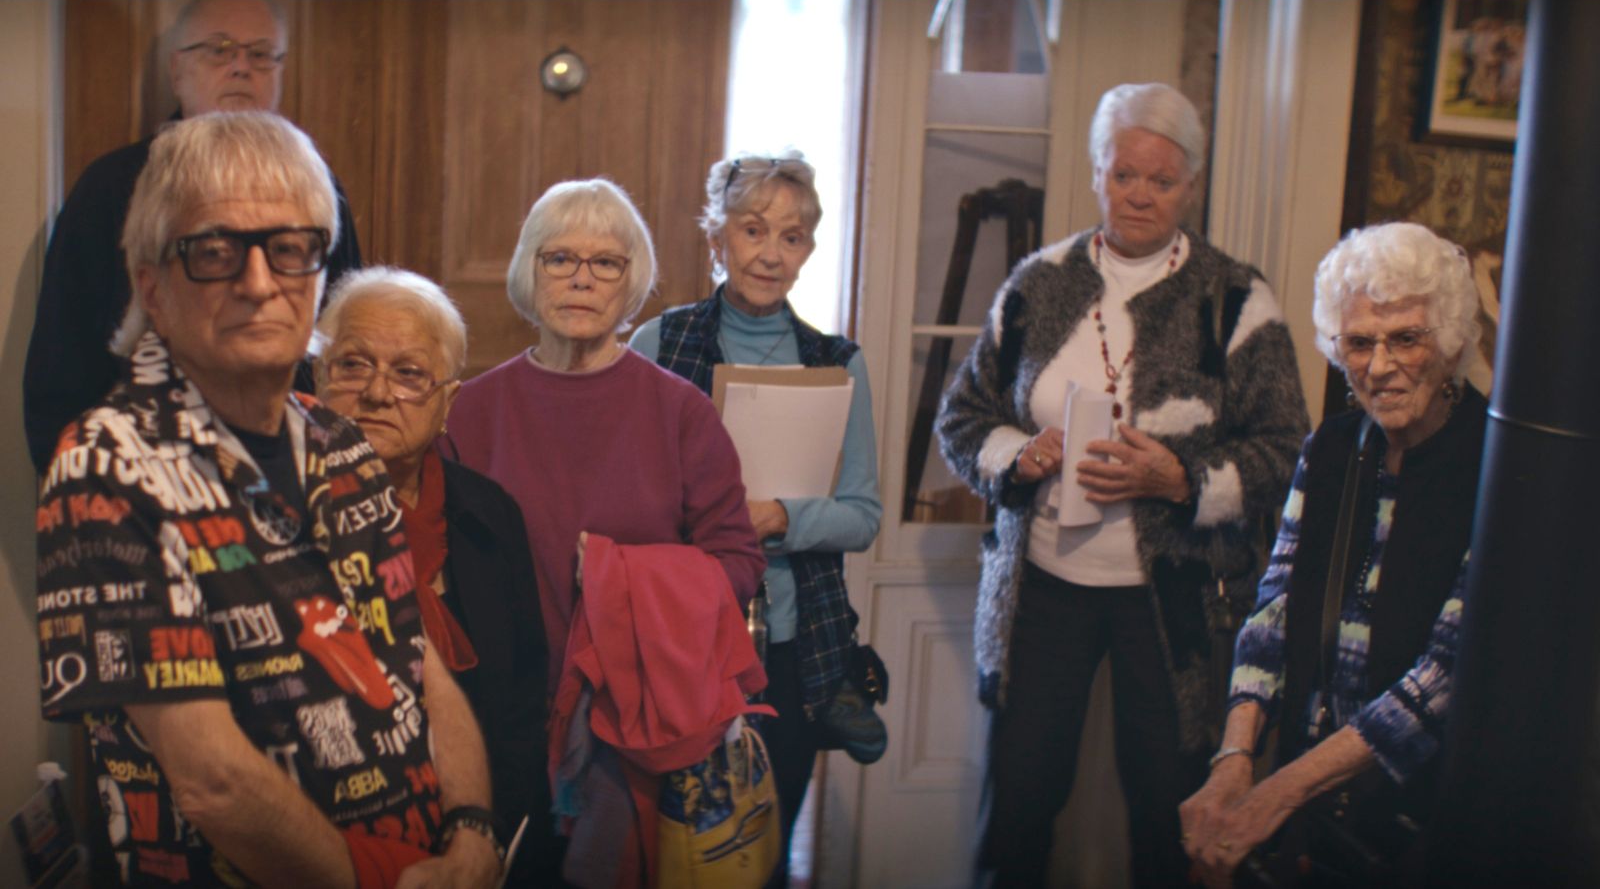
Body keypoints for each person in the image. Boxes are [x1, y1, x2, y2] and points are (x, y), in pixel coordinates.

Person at [34, 111, 499, 888]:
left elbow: (417, 664)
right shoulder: (105, 468)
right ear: (151, 283)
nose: (260, 283)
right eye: (214, 252)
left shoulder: (342, 442)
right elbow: (211, 781)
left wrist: (473, 833)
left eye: (289, 249)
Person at [935, 82, 1308, 887]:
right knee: (1020, 807)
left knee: (1168, 809)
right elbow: (960, 419)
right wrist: (1019, 453)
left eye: (1162, 180)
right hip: (1041, 592)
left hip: (1173, 600)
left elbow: (1286, 450)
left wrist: (1183, 478)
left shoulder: (1235, 298)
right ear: (1098, 172)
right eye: (1122, 174)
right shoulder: (1039, 283)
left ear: (1192, 186)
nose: (1138, 194)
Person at [445, 177, 767, 885]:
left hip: (633, 724)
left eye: (606, 263)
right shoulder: (469, 409)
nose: (581, 279)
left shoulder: (680, 412)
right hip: (496, 719)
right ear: (530, 273)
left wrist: (630, 582)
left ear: (633, 282)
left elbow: (739, 560)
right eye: (560, 259)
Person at [1180, 222, 1487, 888]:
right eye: (1359, 343)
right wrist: (1235, 754)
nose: (1379, 366)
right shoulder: (1330, 449)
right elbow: (1275, 606)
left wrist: (1274, 793)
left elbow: (1443, 677)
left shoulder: (1494, 468)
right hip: (1317, 810)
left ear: (1453, 338)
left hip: (1420, 823)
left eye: (1406, 337)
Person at [629, 150, 883, 886]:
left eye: (793, 236)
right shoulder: (657, 344)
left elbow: (862, 516)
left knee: (762, 853)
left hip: (791, 648)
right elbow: (631, 503)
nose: (772, 253)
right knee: (673, 851)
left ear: (808, 250)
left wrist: (777, 516)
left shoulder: (837, 362)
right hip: (681, 640)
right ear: (718, 240)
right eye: (753, 230)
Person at [23, 0, 362, 473]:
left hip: (298, 470)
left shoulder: (319, 190)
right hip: (145, 471)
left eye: (261, 54)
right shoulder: (110, 189)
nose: (242, 67)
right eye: (220, 49)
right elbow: (60, 372)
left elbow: (343, 341)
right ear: (177, 71)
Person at [315, 266, 558, 883]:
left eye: (408, 374)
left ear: (447, 401)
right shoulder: (272, 520)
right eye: (353, 364)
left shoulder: (490, 515)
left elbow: (523, 708)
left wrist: (485, 844)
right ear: (318, 378)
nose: (375, 393)